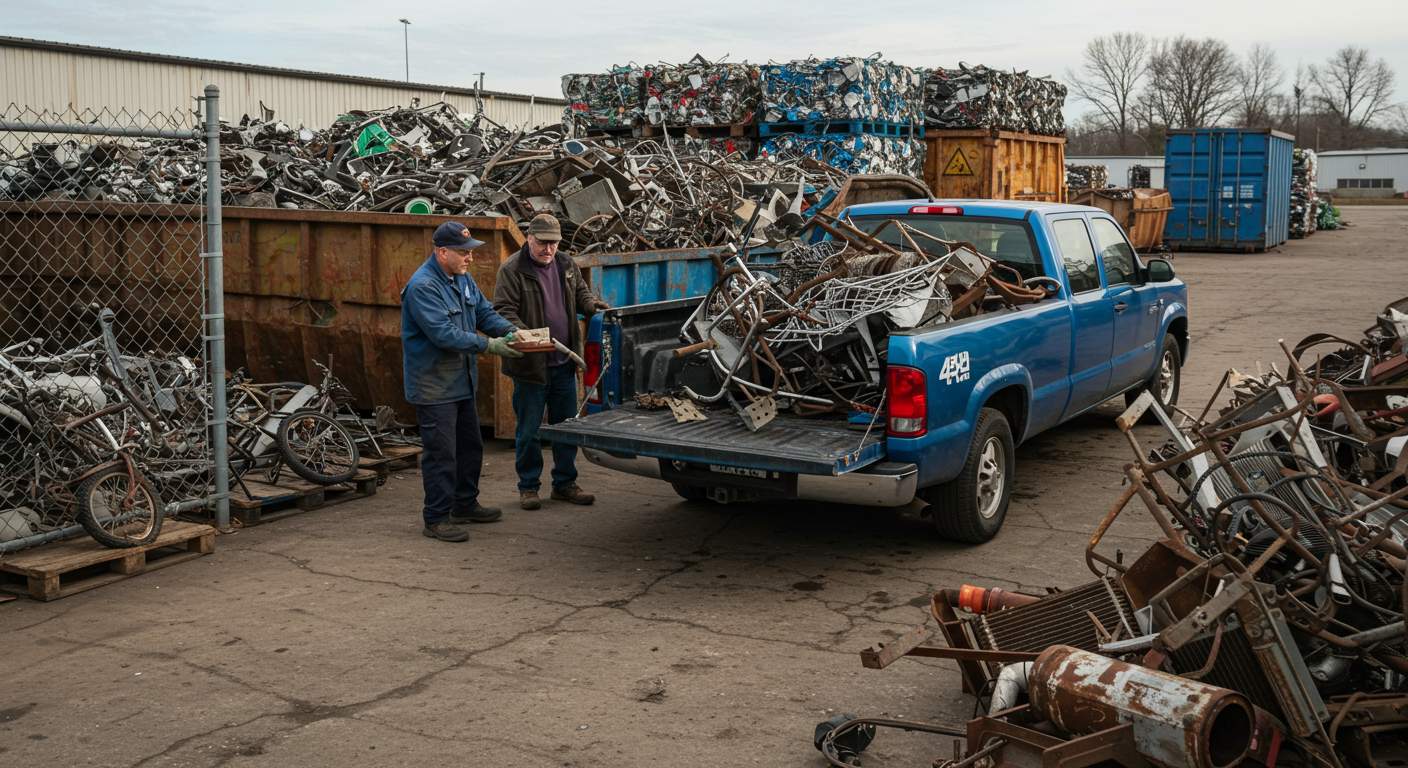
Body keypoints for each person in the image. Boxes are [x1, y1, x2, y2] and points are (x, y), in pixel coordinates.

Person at [401, 221, 524, 542]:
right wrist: (490, 345)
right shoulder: (423, 287)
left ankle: (464, 504)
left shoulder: (462, 279)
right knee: (442, 454)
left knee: (470, 447)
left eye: (470, 252)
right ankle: (437, 518)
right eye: (463, 252)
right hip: (433, 385)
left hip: (460, 382)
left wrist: (510, 331)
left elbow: (484, 314)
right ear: (442, 252)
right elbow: (443, 334)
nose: (470, 258)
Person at [494, 214, 609, 510]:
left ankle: (565, 483)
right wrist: (525, 334)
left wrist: (590, 304)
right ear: (529, 238)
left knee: (566, 427)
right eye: (543, 243)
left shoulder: (566, 264)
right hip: (531, 367)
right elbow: (503, 310)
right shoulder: (513, 270)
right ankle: (528, 487)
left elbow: (580, 292)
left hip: (564, 363)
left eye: (554, 243)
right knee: (529, 430)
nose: (548, 249)